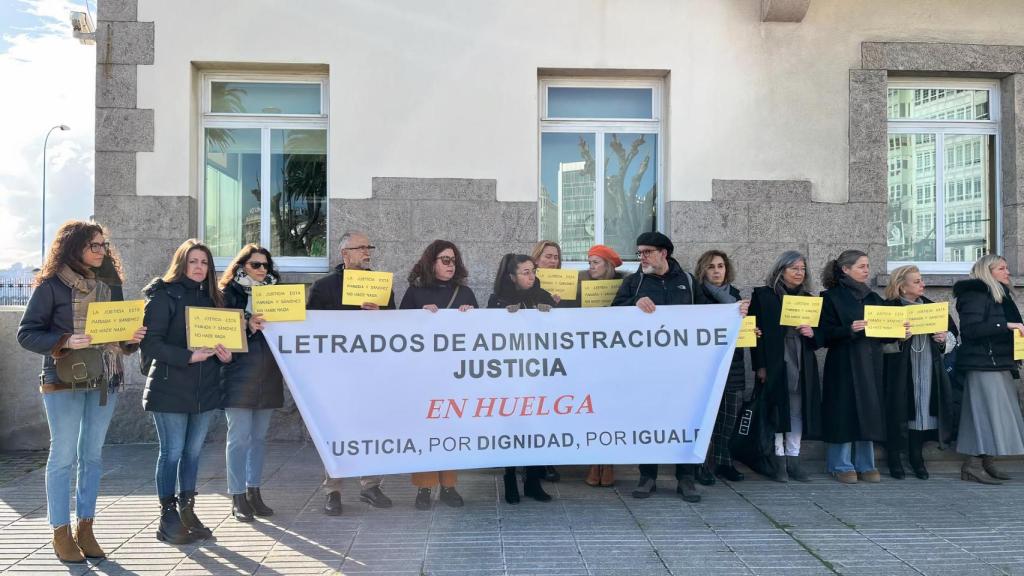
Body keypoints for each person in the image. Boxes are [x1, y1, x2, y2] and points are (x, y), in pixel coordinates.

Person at [17, 221, 145, 563]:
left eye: (104, 245)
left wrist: (132, 337)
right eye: (95, 245)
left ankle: (85, 528)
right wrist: (64, 341)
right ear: (75, 247)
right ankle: (60, 531)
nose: (101, 251)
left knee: (92, 456)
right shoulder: (52, 285)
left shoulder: (110, 282)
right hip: (62, 379)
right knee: (63, 457)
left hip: (104, 377)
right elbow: (27, 333)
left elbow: (117, 333)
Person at [142, 239, 232, 543]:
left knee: (193, 453)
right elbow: (150, 343)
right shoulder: (163, 295)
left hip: (204, 389)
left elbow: (227, 340)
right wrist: (187, 356)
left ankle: (187, 510)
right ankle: (167, 516)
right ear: (182, 263)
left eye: (204, 262)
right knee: (172, 453)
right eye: (193, 261)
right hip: (169, 387)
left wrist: (227, 354)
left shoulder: (215, 299)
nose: (199, 267)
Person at [611, 231, 708, 503]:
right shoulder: (633, 282)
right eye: (639, 252)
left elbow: (707, 317)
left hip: (683, 368)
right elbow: (613, 314)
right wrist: (633, 303)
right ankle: (647, 476)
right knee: (648, 418)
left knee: (687, 419)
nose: (642, 257)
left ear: (664, 253)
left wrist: (734, 314)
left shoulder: (688, 281)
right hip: (645, 368)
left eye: (647, 252)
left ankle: (686, 478)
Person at [307, 231, 395, 515]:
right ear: (345, 254)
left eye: (369, 246)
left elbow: (396, 326)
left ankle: (370, 485)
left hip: (371, 371)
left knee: (371, 427)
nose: (367, 252)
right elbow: (312, 328)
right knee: (335, 431)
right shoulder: (323, 287)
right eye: (361, 248)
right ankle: (333, 490)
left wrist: (379, 314)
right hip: (336, 373)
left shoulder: (381, 285)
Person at [400, 240, 478, 510]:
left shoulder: (465, 293)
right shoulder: (415, 292)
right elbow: (399, 331)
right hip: (423, 376)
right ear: (431, 262)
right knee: (425, 430)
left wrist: (471, 316)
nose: (450, 265)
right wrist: (417, 318)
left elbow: (482, 335)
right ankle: (424, 488)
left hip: (456, 376)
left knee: (451, 430)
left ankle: (449, 485)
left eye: (454, 260)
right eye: (445, 259)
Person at [819, 249, 898, 484]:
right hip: (843, 362)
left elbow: (884, 334)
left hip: (870, 362)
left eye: (867, 266)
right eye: (861, 266)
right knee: (843, 412)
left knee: (869, 412)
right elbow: (823, 335)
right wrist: (849, 329)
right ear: (846, 269)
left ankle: (866, 463)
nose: (867, 271)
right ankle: (839, 464)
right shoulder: (830, 298)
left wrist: (899, 333)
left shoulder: (874, 299)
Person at [218, 244, 284, 521]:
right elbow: (217, 329)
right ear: (241, 266)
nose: (261, 270)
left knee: (258, 438)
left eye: (265, 266)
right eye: (255, 264)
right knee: (239, 438)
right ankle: (237, 495)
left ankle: (254, 491)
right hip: (238, 374)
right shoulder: (226, 294)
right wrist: (246, 324)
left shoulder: (278, 295)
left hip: (268, 373)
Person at [488, 253, 556, 504]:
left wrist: (550, 314)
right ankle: (509, 480)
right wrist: (504, 318)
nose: (532, 276)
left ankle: (533, 482)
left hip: (539, 376)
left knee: (537, 428)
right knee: (512, 429)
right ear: (512, 276)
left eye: (533, 271)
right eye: (526, 272)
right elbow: (488, 336)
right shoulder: (497, 301)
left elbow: (561, 330)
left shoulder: (542, 295)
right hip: (510, 378)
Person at [749, 251, 822, 482]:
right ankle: (778, 459)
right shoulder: (763, 296)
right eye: (794, 269)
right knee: (778, 408)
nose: (800, 273)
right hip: (775, 359)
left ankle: (794, 458)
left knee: (798, 410)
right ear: (781, 270)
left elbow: (820, 336)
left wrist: (812, 333)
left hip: (801, 357)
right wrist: (760, 366)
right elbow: (755, 334)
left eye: (802, 269)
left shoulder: (810, 299)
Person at [882, 265, 958, 480]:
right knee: (898, 410)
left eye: (921, 280)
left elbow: (953, 337)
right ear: (901, 287)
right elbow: (876, 344)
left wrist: (943, 340)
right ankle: (894, 457)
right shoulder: (889, 308)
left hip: (927, 367)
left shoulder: (933, 308)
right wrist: (898, 338)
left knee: (923, 411)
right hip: (898, 371)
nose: (922, 284)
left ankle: (917, 457)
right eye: (916, 281)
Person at [953, 255, 1024, 484]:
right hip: (982, 362)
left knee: (997, 413)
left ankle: (985, 461)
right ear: (988, 271)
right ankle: (973, 464)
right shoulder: (974, 294)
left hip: (997, 361)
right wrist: (1006, 325)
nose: (1007, 272)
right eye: (1002, 268)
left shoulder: (999, 294)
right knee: (984, 413)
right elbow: (972, 330)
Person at [694, 250, 749, 485]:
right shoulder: (697, 296)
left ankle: (724, 462)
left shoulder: (736, 296)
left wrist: (750, 330)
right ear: (703, 270)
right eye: (711, 267)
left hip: (733, 365)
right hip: (706, 366)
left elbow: (743, 329)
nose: (717, 271)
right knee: (705, 417)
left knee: (728, 418)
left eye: (720, 266)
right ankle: (701, 466)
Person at [581, 245, 626, 487]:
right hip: (589, 356)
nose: (591, 267)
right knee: (592, 409)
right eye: (589, 263)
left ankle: (607, 463)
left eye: (595, 262)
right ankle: (594, 462)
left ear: (608, 265)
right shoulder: (580, 286)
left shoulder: (625, 286)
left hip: (615, 356)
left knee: (611, 409)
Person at [530, 239, 567, 482]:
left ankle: (548, 460)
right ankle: (531, 461)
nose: (552, 261)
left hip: (555, 355)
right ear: (536, 259)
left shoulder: (567, 285)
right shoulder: (529, 282)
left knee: (552, 410)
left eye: (556, 257)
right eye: (547, 256)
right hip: (531, 355)